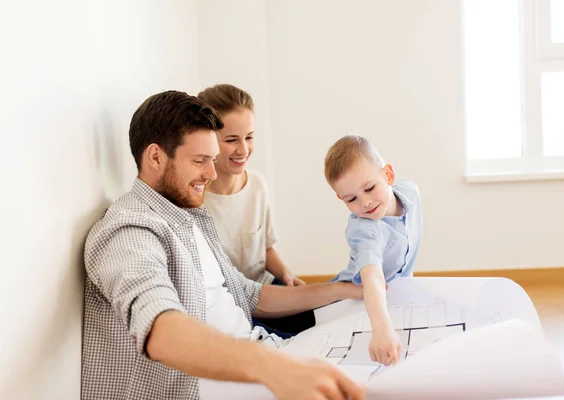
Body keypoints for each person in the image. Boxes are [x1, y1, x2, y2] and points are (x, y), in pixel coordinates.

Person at [81, 91, 365, 400]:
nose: (212, 173)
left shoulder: (187, 217)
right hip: (216, 384)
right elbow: (160, 329)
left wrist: (341, 290)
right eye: (200, 161)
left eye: (212, 160)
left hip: (264, 350)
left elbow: (246, 293)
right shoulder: (129, 230)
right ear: (155, 157)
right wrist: (274, 368)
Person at [324, 135, 423, 367]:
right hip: (349, 298)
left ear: (388, 175)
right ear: (341, 198)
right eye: (351, 199)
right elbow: (373, 278)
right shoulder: (364, 229)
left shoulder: (410, 193)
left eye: (369, 188)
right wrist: (381, 329)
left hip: (395, 295)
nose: (365, 203)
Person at [198, 84, 305, 287]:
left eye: (249, 137)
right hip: (229, 298)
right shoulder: (195, 201)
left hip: (264, 286)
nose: (244, 149)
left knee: (314, 314)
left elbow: (265, 250)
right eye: (231, 140)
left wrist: (287, 275)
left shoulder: (257, 186)